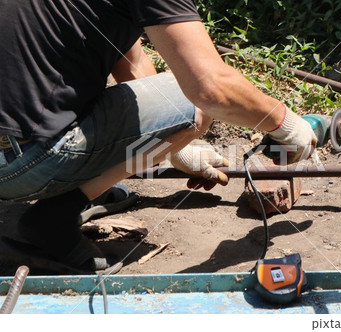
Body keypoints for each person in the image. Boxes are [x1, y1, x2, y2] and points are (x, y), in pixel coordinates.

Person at [0, 0, 317, 273]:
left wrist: (177, 145)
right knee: (195, 103)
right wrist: (286, 123)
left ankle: (69, 185)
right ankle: (55, 215)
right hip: (17, 164)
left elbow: (131, 65)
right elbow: (210, 87)